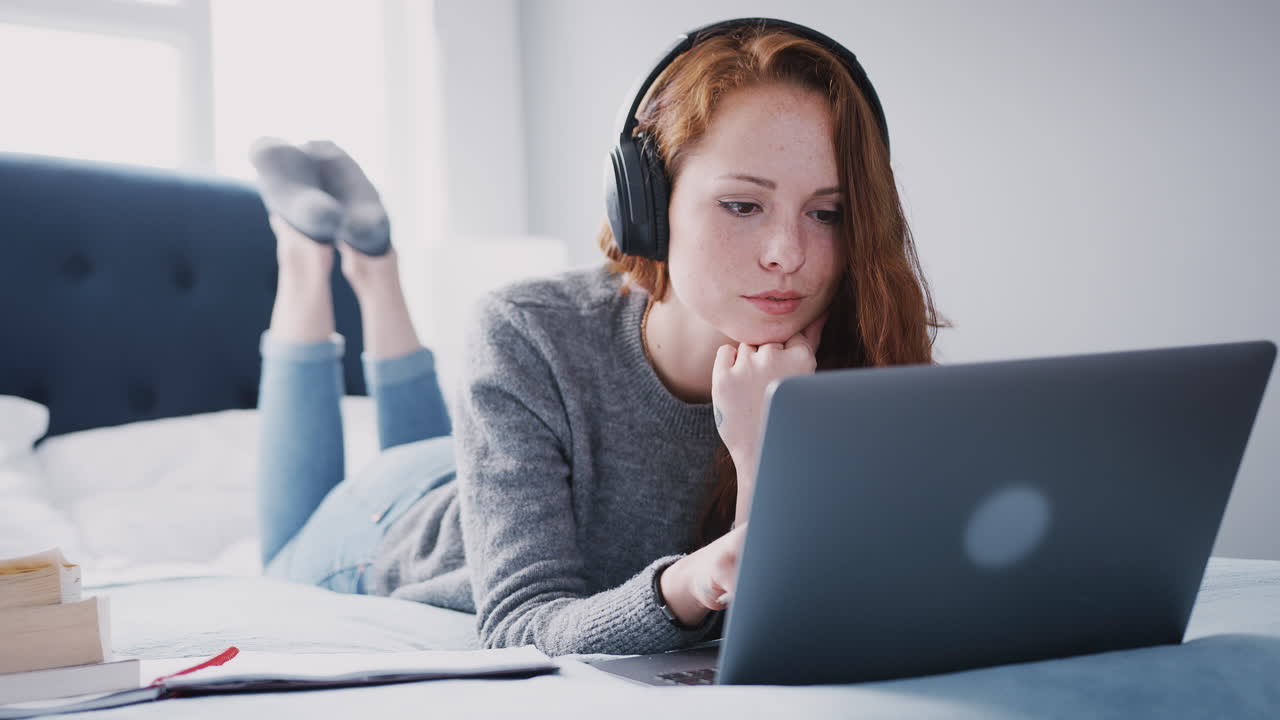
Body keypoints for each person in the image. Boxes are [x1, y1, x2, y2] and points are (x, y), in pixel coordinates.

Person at [253, 18, 944, 657]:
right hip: (390, 526)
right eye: (742, 205)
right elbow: (520, 624)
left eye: (827, 213)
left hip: (484, 462)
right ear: (647, 204)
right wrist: (687, 582)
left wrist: (765, 450)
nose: (787, 254)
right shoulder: (528, 328)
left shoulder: (862, 348)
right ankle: (313, 258)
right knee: (278, 553)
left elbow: (816, 620)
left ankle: (374, 265)